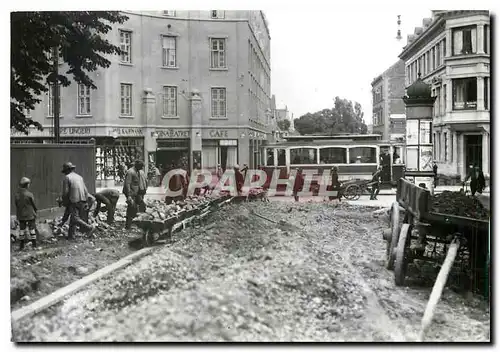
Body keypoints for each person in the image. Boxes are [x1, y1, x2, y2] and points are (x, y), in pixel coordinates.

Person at [61, 162, 96, 239]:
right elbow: (85, 190)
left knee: (75, 218)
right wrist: (86, 201)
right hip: (82, 199)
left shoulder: (67, 178)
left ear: (66, 170)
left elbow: (65, 192)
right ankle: (71, 236)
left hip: (74, 200)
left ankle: (89, 227)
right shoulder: (79, 177)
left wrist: (63, 200)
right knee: (73, 219)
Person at [123, 160, 148, 229]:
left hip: (136, 193)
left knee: (142, 206)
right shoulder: (130, 172)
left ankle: (136, 223)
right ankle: (128, 226)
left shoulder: (137, 171)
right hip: (131, 193)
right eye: (141, 167)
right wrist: (129, 196)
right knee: (131, 208)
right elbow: (127, 184)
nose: (142, 168)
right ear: (137, 166)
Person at [15, 177, 38, 249]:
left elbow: (16, 204)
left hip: (21, 214)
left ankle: (21, 246)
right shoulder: (29, 194)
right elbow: (34, 205)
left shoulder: (16, 195)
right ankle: (34, 245)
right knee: (32, 228)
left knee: (22, 229)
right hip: (30, 214)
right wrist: (35, 211)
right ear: (27, 185)